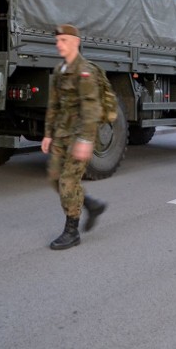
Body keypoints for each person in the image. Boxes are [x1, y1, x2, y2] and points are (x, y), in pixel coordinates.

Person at [42, 24, 108, 250]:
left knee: (68, 182)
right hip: (61, 133)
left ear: (76, 42)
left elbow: (92, 108)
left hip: (80, 134)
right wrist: (48, 134)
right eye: (57, 41)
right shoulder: (59, 70)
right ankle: (91, 204)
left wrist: (86, 141)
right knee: (54, 177)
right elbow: (54, 105)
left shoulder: (85, 71)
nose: (58, 44)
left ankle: (72, 231)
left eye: (64, 40)